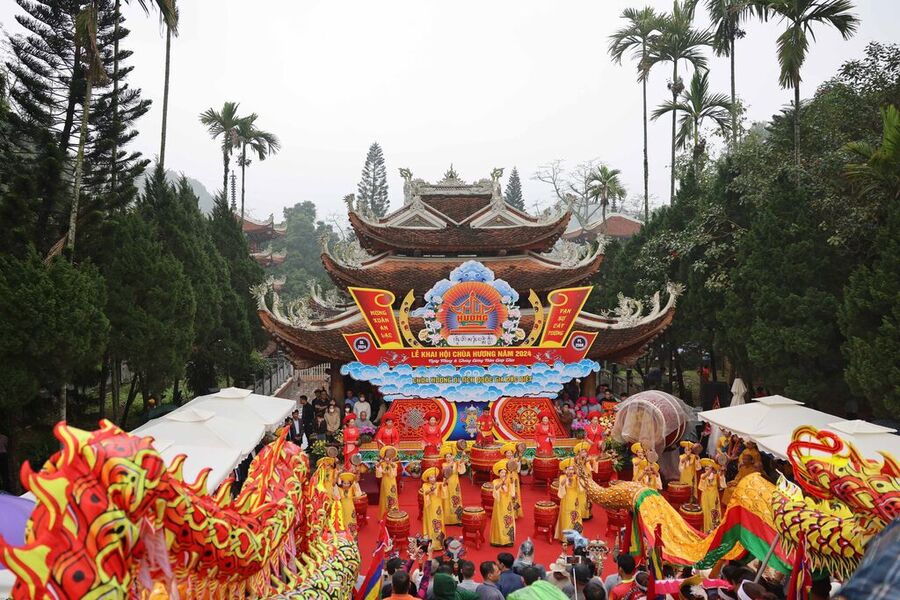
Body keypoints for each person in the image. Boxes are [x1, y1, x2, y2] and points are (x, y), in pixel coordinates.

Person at [489, 460, 516, 547]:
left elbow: (512, 484)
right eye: (502, 472)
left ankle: (508, 540)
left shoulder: (508, 480)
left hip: (507, 503)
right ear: (499, 473)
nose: (503, 474)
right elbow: (496, 488)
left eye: (505, 472)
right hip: (499, 503)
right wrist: (502, 482)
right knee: (500, 520)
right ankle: (498, 540)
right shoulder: (495, 481)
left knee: (508, 519)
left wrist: (510, 477)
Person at [555, 458, 582, 540]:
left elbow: (581, 484)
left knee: (576, 516)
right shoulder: (562, 477)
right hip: (566, 499)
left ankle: (576, 536)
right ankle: (566, 538)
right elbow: (562, 484)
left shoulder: (576, 477)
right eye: (569, 469)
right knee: (567, 517)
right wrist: (567, 478)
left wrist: (578, 475)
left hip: (575, 500)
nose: (571, 471)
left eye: (572, 469)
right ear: (565, 470)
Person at [421, 467, 447, 549]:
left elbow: (444, 486)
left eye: (434, 477)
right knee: (432, 522)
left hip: (438, 507)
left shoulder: (438, 484)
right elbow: (426, 492)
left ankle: (441, 542)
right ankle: (432, 543)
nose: (433, 479)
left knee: (439, 521)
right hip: (430, 507)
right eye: (431, 477)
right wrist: (431, 490)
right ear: (428, 479)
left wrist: (445, 482)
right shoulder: (425, 485)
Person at [441, 443, 466, 526]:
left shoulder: (456, 463)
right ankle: (448, 520)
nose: (448, 458)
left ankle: (458, 520)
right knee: (447, 500)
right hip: (448, 483)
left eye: (449, 456)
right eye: (446, 457)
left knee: (456, 500)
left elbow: (462, 463)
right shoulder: (444, 465)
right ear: (445, 458)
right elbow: (446, 472)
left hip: (455, 484)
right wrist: (452, 463)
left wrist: (462, 456)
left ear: (452, 456)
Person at [698, 457, 725, 532]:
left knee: (714, 511)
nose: (708, 470)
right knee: (705, 511)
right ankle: (705, 529)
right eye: (706, 469)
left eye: (709, 468)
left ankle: (714, 529)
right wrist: (709, 472)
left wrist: (722, 472)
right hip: (705, 496)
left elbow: (721, 485)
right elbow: (703, 478)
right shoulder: (703, 475)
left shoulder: (716, 476)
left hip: (714, 497)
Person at [335, 471, 361, 537]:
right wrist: (337, 475)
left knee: (351, 519)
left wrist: (355, 476)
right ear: (342, 483)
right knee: (343, 520)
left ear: (350, 484)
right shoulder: (339, 489)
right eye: (344, 483)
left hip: (351, 507)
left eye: (348, 483)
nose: (346, 485)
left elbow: (357, 491)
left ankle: (352, 533)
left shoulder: (352, 488)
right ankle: (344, 534)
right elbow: (334, 487)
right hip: (342, 507)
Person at [501, 442, 524, 518]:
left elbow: (519, 459)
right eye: (507, 453)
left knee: (515, 494)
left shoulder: (515, 460)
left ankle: (515, 513)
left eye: (510, 453)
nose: (509, 454)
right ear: (505, 454)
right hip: (507, 479)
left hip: (514, 478)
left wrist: (520, 454)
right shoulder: (502, 461)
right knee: (508, 494)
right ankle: (507, 511)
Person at [377, 445, 400, 517]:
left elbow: (394, 473)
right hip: (385, 481)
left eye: (389, 458)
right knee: (385, 495)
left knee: (393, 494)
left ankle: (394, 512)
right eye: (386, 457)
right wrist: (379, 464)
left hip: (392, 481)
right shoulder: (382, 464)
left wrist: (391, 464)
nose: (387, 459)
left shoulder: (394, 464)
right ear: (383, 457)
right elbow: (379, 473)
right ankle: (384, 514)